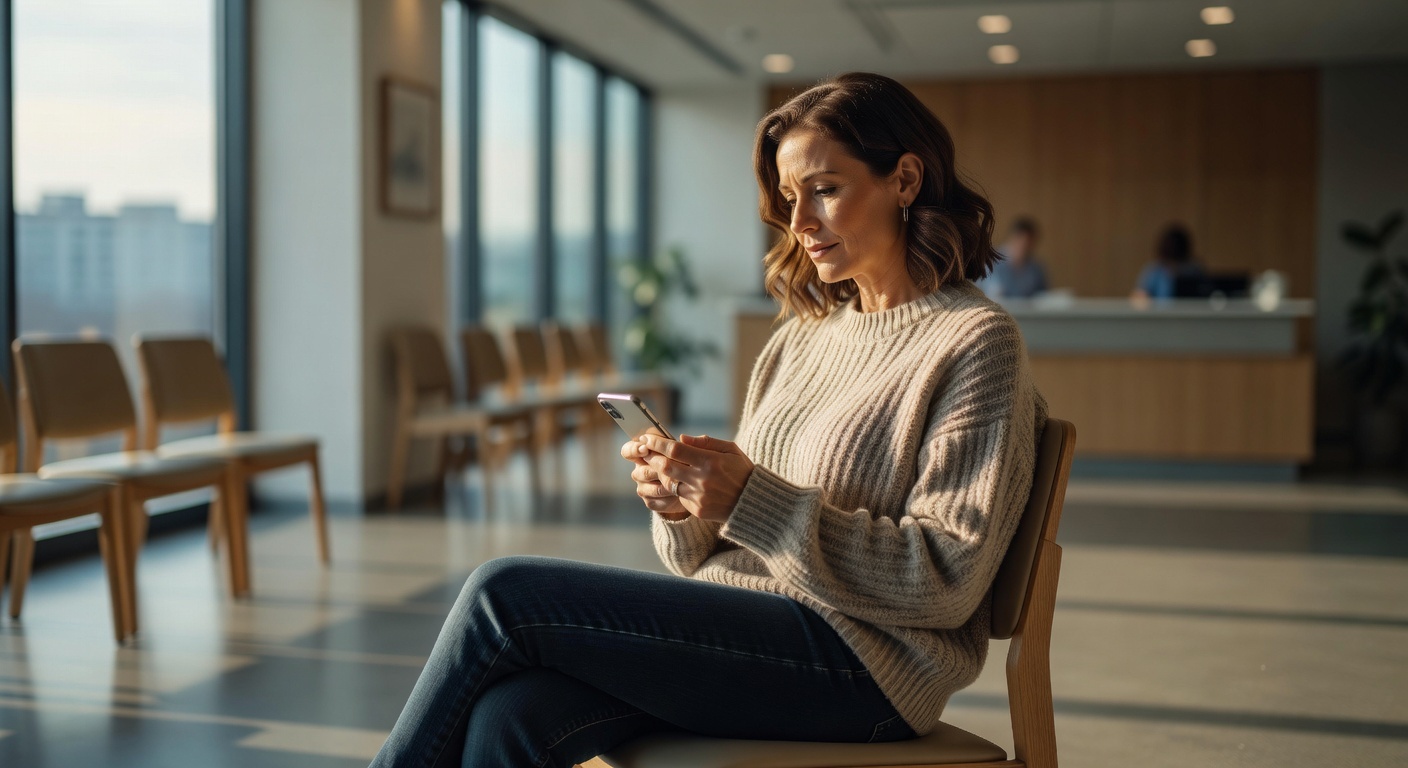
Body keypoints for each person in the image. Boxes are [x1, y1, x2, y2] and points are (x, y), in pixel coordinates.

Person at [370, 72, 1047, 768]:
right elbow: (706, 552)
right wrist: (686, 505)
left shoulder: (974, 342)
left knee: (503, 593)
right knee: (512, 716)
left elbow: (946, 578)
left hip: (865, 667)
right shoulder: (802, 336)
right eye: (789, 199)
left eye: (826, 188)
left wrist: (750, 499)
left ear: (905, 179)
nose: (800, 223)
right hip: (751, 633)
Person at [977, 216, 1048, 298]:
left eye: (1028, 244)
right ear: (1012, 238)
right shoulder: (991, 261)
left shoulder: (1036, 268)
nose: (1024, 247)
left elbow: (1043, 299)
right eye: (1021, 242)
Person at [1132, 223, 1204, 299]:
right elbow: (1139, 296)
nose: (1172, 249)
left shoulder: (1193, 269)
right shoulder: (1154, 270)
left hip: (1189, 310)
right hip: (1159, 310)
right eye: (1169, 246)